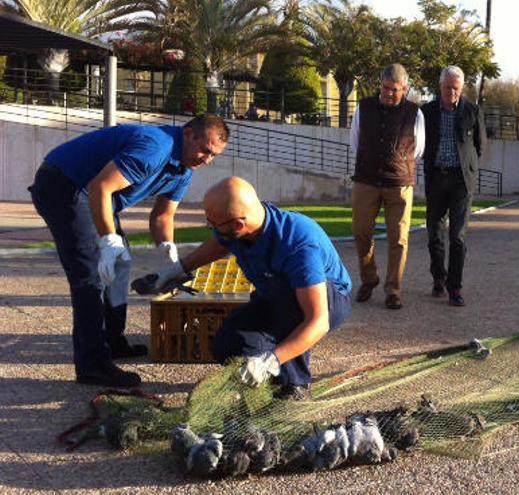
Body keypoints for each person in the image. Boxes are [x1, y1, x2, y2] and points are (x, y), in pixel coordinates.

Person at [29, 114, 229, 387]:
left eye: (214, 155)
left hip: (96, 194)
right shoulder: (155, 147)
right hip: (65, 184)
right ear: (188, 134)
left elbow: (162, 217)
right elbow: (100, 186)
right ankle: (93, 365)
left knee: (120, 264)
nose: (207, 159)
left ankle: (113, 340)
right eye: (205, 149)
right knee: (91, 275)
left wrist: (168, 253)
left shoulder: (183, 170)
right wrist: (108, 240)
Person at [141, 177, 352, 400]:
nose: (212, 229)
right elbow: (218, 245)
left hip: (327, 301)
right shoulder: (241, 228)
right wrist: (177, 269)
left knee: (283, 291)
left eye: (214, 225)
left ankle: (296, 385)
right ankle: (269, 368)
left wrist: (271, 360)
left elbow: (318, 322)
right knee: (228, 345)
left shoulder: (297, 243)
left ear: (239, 225)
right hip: (273, 297)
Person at [349, 63, 425, 310]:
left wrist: (398, 164)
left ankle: (393, 289)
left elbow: (419, 150)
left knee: (399, 239)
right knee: (361, 232)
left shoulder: (416, 113)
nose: (389, 93)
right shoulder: (363, 108)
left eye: (395, 89)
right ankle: (369, 279)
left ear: (405, 89)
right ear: (379, 85)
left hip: (399, 184)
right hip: (366, 180)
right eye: (385, 88)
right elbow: (355, 141)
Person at [421, 66, 486, 307]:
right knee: (434, 233)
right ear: (440, 87)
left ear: (461, 88)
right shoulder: (426, 111)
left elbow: (479, 146)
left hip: (461, 181)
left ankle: (455, 288)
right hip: (436, 178)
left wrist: (467, 169)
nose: (452, 92)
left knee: (457, 236)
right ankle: (439, 277)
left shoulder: (472, 111)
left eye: (456, 88)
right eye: (448, 87)